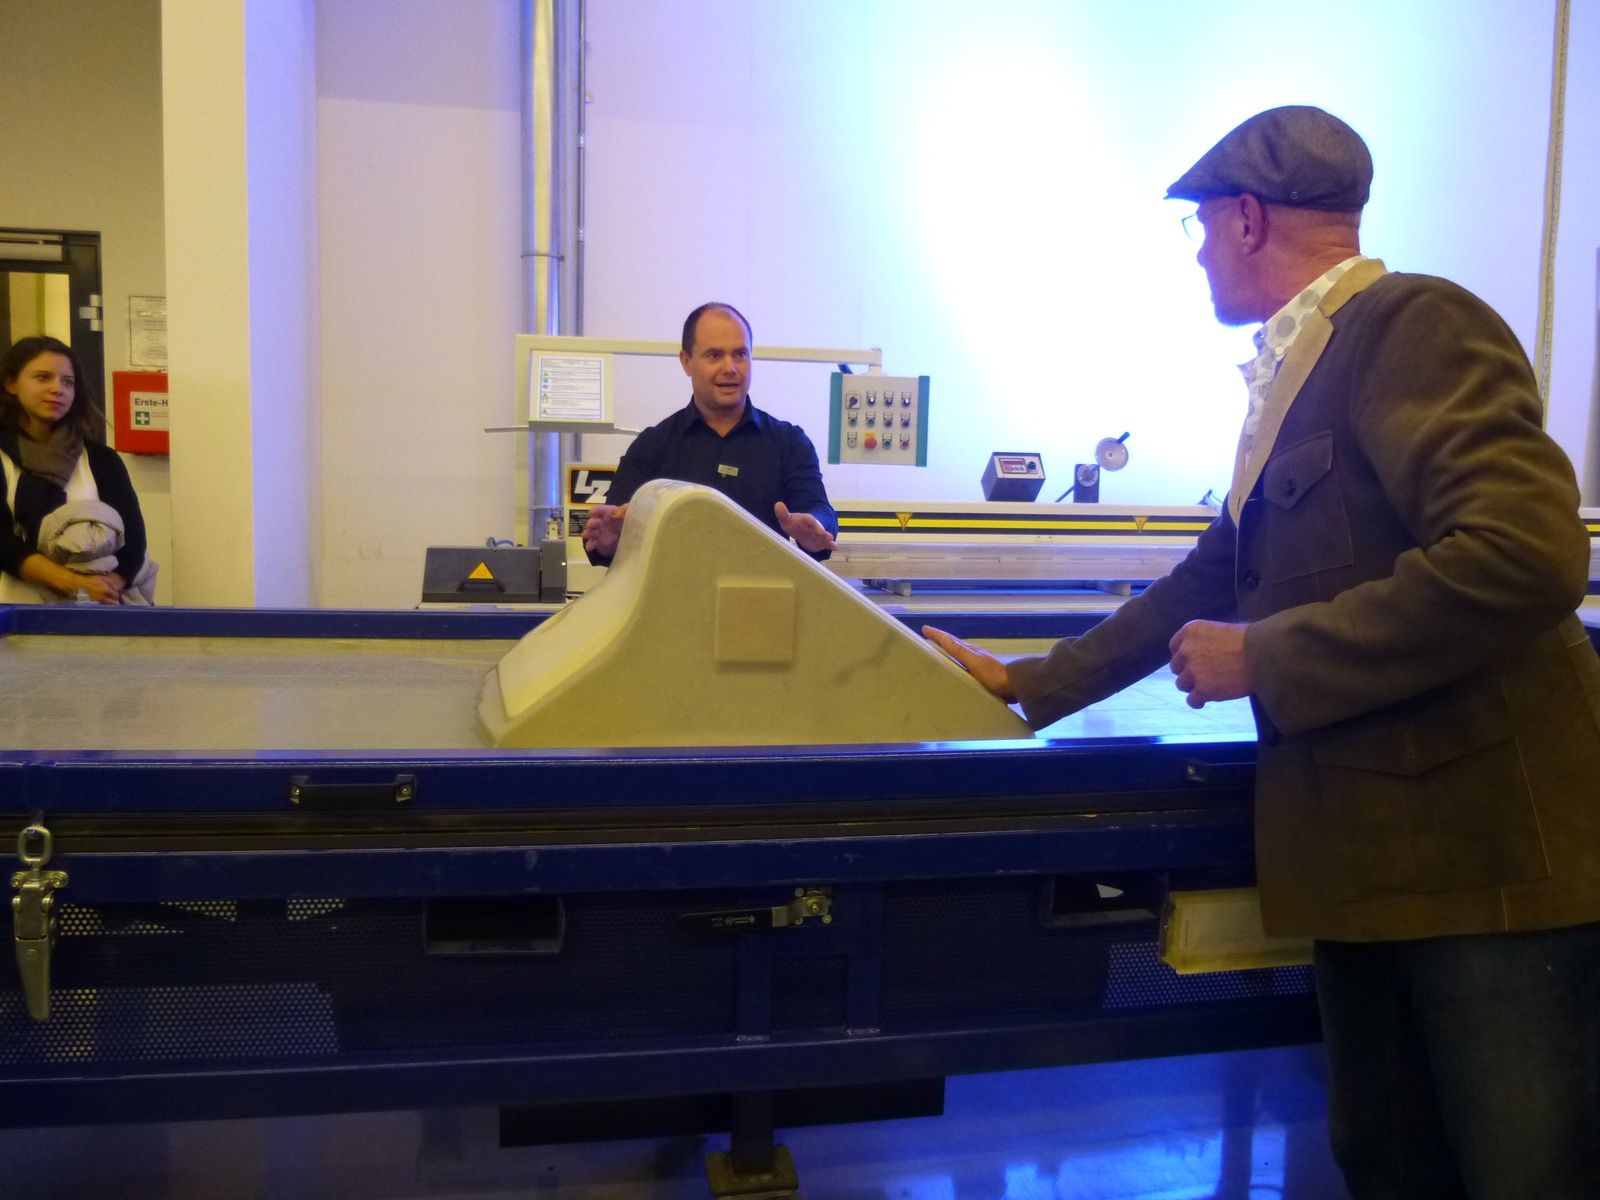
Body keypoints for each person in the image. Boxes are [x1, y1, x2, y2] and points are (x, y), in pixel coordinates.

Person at [926, 106, 1600, 1198]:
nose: (1197, 255)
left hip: (1489, 869)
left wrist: (1269, 658)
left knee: (1522, 1173)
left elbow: (1524, 554)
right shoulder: (1299, 369)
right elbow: (1214, 575)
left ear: (1245, 219)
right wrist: (1031, 683)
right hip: (1374, 858)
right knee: (1392, 1164)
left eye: (1198, 228)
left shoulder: (1412, 325)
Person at [581, 303, 837, 563]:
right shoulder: (653, 446)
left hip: (763, 588)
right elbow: (611, 524)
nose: (730, 368)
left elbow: (819, 511)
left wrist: (816, 526)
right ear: (686, 362)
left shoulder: (789, 443)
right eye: (714, 355)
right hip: (676, 589)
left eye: (740, 354)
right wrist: (610, 542)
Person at [1, 335, 148, 604]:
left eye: (68, 382)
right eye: (43, 378)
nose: (57, 389)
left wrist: (108, 588)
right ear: (11, 384)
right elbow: (2, 543)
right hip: (12, 612)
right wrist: (73, 583)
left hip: (92, 613)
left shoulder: (102, 460)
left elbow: (133, 541)